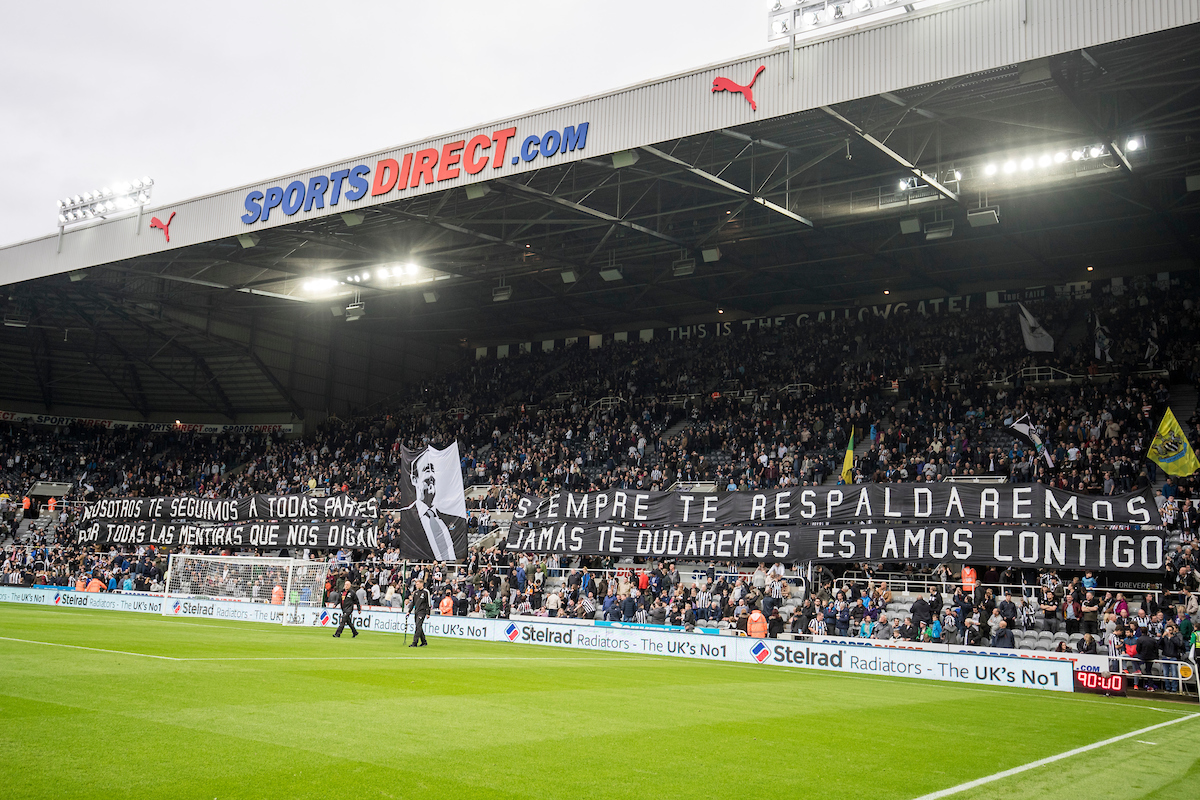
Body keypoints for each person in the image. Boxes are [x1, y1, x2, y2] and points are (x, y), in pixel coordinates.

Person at [409, 578, 431, 647]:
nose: (416, 585)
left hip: (422, 611)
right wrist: (409, 611)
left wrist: (428, 613)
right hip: (416, 611)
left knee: (418, 626)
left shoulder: (426, 592)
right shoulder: (415, 592)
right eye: (416, 584)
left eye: (417, 584)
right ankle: (424, 642)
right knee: (419, 627)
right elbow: (413, 603)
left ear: (422, 584)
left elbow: (428, 603)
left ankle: (414, 642)